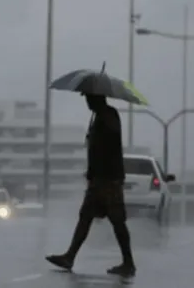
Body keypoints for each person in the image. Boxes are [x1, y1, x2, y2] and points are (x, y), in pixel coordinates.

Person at [45, 94, 136, 277]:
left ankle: (128, 263)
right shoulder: (99, 118)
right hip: (98, 179)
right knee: (85, 216)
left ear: (97, 99)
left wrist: (97, 133)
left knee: (117, 221)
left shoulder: (109, 116)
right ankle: (70, 256)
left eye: (89, 98)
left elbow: (108, 145)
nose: (86, 101)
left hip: (109, 179)